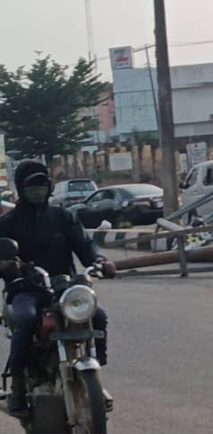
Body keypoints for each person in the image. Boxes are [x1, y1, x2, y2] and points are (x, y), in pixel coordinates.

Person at [0, 160, 116, 416]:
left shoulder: (64, 217)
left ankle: (96, 379)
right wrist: (10, 266)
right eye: (32, 185)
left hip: (64, 285)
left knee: (97, 315)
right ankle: (18, 388)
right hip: (26, 290)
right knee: (26, 320)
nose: (38, 189)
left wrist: (100, 261)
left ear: (49, 186)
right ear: (20, 187)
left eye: (42, 183)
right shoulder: (9, 224)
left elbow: (85, 247)